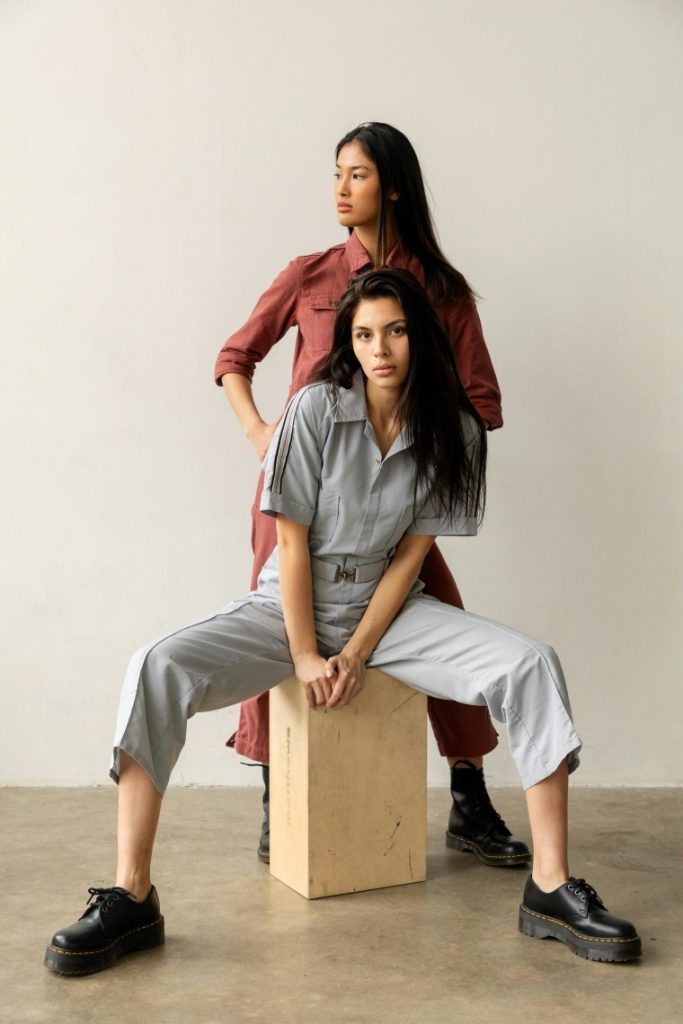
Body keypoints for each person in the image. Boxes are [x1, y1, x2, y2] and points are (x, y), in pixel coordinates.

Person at [45, 269, 641, 975]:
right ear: (347, 343)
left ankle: (548, 885)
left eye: (394, 330)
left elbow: (411, 557)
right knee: (156, 663)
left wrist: (356, 651)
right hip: (286, 603)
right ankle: (131, 895)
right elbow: (290, 542)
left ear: (420, 334)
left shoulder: (455, 433)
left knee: (531, 662)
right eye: (362, 334)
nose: (379, 348)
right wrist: (304, 654)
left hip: (388, 611)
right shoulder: (315, 410)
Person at [215, 121, 529, 869]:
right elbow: (234, 357)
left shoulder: (441, 292)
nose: (338, 189)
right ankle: (276, 792)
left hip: (394, 494)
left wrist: (425, 443)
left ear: (391, 184)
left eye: (354, 175)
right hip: (295, 492)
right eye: (334, 174)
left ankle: (468, 794)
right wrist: (263, 434)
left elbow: (481, 402)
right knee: (275, 626)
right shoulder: (310, 273)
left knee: (439, 617)